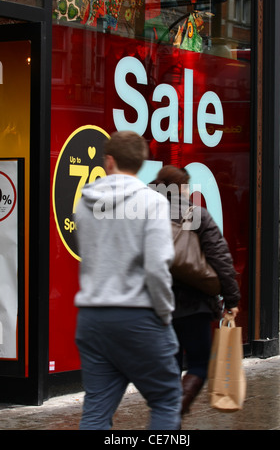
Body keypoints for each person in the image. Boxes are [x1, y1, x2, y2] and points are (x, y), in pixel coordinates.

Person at [74, 131, 182, 430]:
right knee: (166, 399)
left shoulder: (84, 203)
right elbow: (158, 267)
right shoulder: (153, 203)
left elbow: (89, 254)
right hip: (139, 317)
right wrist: (164, 313)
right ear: (142, 162)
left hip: (93, 319)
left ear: (109, 161)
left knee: (96, 410)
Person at [150, 165, 240, 415]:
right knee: (200, 363)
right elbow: (220, 257)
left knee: (170, 366)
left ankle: (168, 420)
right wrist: (231, 298)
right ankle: (174, 411)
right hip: (194, 304)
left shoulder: (146, 213)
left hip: (157, 304)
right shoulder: (196, 214)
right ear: (181, 188)